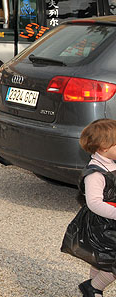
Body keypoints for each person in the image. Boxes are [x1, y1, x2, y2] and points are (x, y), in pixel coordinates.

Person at [61, 119, 116, 297]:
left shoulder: (111, 163)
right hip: (101, 224)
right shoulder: (96, 174)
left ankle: (92, 290)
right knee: (111, 260)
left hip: (110, 221)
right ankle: (94, 288)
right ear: (104, 147)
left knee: (101, 259)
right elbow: (94, 204)